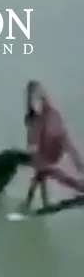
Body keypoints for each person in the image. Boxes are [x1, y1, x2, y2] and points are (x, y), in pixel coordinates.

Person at [22, 80, 84, 212]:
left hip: (53, 145)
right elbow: (33, 133)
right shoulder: (33, 115)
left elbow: (62, 137)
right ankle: (34, 203)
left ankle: (32, 203)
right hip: (44, 149)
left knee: (45, 172)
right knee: (40, 173)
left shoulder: (47, 112)